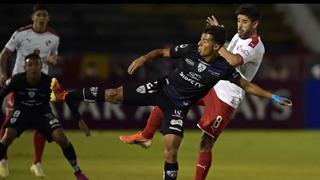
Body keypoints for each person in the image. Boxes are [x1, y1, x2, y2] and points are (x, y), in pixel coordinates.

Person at [50, 25, 292, 180]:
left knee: (171, 151)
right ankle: (65, 95)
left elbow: (247, 86)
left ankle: (151, 144)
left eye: (205, 40)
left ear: (217, 47)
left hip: (178, 106)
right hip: (160, 89)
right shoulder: (190, 50)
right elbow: (161, 52)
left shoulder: (223, 69)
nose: (200, 43)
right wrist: (144, 58)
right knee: (113, 94)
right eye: (200, 38)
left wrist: (273, 97)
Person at [119, 4, 266, 180]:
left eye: (244, 22)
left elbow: (234, 60)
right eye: (238, 21)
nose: (240, 25)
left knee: (205, 144)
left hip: (227, 97)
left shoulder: (255, 45)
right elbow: (229, 50)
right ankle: (146, 136)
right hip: (212, 84)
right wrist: (220, 38)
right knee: (170, 95)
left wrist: (215, 43)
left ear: (255, 24)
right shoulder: (238, 36)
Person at [0, 4, 90, 178]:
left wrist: (54, 59)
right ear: (33, 17)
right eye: (39, 14)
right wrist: (3, 74)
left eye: (45, 15)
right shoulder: (21, 34)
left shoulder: (54, 37)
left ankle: (37, 163)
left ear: (48, 18)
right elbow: (4, 54)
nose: (41, 18)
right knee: (8, 124)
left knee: (46, 129)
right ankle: (3, 160)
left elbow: (54, 57)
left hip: (42, 85)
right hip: (19, 85)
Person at [0, 53, 89, 180]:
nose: (33, 68)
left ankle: (78, 172)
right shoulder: (16, 80)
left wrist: (79, 120)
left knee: (61, 138)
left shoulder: (50, 82)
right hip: (22, 113)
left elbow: (66, 97)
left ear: (41, 66)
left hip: (42, 113)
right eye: (29, 65)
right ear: (25, 67)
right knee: (7, 136)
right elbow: (1, 94)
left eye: (36, 64)